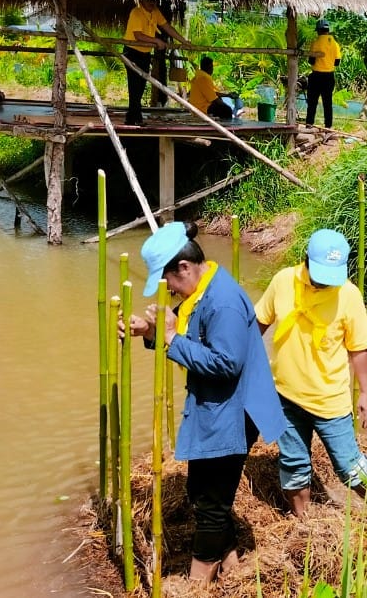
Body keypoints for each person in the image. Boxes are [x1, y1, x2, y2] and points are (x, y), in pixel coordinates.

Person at [123, 222, 286, 583]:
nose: (169, 292)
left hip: (234, 411)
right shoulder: (201, 290)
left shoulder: (222, 301)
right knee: (201, 492)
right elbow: (184, 331)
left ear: (184, 268)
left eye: (168, 283)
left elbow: (226, 364)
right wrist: (150, 333)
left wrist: (169, 338)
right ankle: (232, 568)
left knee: (212, 503)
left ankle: (198, 583)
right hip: (215, 406)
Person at [253, 229, 367, 519]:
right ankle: (303, 521)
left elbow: (358, 349)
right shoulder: (284, 282)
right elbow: (257, 324)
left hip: (330, 400)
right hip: (286, 396)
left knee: (349, 466)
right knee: (294, 464)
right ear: (304, 259)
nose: (324, 282)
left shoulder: (348, 294)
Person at [123, 0, 190, 126]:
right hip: (133, 52)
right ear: (142, 1)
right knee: (134, 85)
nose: (152, 4)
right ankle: (135, 118)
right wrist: (156, 41)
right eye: (149, 1)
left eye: (154, 1)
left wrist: (183, 41)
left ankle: (134, 117)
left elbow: (167, 27)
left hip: (145, 53)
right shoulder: (136, 12)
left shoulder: (155, 12)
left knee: (141, 85)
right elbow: (138, 35)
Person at [306, 19, 342, 129]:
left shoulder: (315, 42)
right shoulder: (335, 44)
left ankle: (309, 124)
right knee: (327, 103)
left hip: (316, 76)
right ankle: (328, 127)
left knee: (312, 102)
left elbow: (311, 61)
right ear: (327, 30)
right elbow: (337, 62)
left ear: (318, 31)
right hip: (329, 77)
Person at [188, 56, 237, 121]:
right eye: (212, 67)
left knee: (221, 103)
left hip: (196, 107)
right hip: (201, 108)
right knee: (227, 110)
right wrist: (226, 106)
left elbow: (212, 93)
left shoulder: (199, 75)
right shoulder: (204, 77)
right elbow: (214, 99)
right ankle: (227, 128)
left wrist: (227, 95)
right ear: (209, 67)